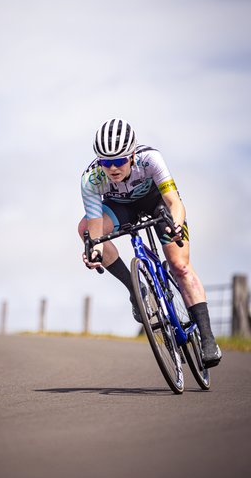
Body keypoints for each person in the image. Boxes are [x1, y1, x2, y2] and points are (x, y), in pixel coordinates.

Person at [78, 117, 222, 368]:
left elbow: (175, 203)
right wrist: (94, 252)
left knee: (180, 266)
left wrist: (176, 225)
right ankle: (135, 288)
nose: (112, 168)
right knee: (84, 230)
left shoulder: (150, 159)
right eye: (106, 162)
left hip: (157, 204)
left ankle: (208, 338)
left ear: (132, 154)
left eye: (120, 160)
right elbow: (95, 231)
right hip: (120, 208)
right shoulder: (91, 179)